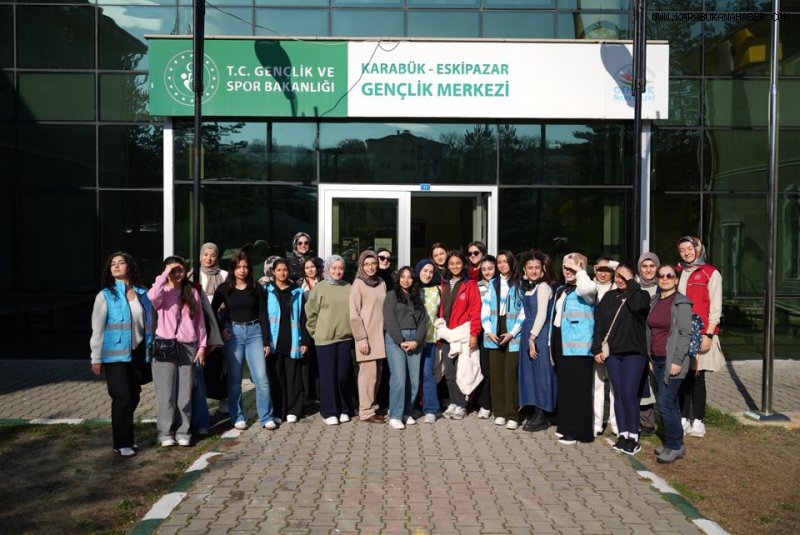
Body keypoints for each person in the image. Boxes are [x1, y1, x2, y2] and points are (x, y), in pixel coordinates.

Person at [89, 252, 155, 457]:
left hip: (138, 352)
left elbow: (150, 322)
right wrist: (96, 357)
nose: (116, 266)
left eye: (121, 262)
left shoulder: (143, 293)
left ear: (130, 266)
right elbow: (97, 329)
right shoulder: (105, 295)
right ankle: (121, 442)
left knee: (134, 395)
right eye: (112, 264)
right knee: (122, 396)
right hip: (114, 355)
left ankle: (126, 435)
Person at [212, 251, 275, 430]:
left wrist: (266, 341)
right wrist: (221, 329)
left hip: (255, 333)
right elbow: (211, 311)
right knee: (235, 379)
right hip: (234, 334)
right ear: (233, 269)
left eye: (245, 267)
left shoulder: (257, 288)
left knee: (261, 378)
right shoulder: (224, 288)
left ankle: (266, 417)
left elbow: (263, 314)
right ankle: (238, 416)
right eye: (239, 267)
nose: (242, 270)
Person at [592, 262, 651, 455]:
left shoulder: (641, 295)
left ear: (633, 278)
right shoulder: (609, 297)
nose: (619, 280)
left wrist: (632, 285)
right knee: (618, 394)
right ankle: (623, 435)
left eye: (624, 277)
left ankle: (633, 437)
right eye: (617, 276)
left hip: (634, 353)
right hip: (613, 354)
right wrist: (597, 349)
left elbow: (638, 307)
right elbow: (599, 324)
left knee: (629, 394)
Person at [148, 256, 207, 447]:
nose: (177, 273)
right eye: (173, 270)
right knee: (166, 393)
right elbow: (151, 297)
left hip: (188, 346)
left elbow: (200, 323)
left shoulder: (192, 292)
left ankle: (183, 431)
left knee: (185, 393)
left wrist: (202, 346)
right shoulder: (162, 291)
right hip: (165, 346)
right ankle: (166, 432)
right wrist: (165, 274)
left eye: (180, 269)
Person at [677, 236, 725, 438]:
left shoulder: (711, 273)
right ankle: (683, 418)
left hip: (702, 332)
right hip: (681, 332)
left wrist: (709, 334)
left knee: (697, 376)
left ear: (698, 249)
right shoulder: (679, 272)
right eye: (682, 250)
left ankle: (698, 419)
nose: (686, 252)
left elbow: (716, 307)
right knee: (682, 376)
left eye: (690, 248)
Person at [648, 264, 693, 463]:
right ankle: (677, 443)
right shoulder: (655, 300)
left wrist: (677, 360)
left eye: (669, 275)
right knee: (670, 402)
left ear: (676, 279)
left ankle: (673, 446)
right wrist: (649, 357)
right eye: (661, 276)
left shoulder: (681, 303)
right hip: (656, 359)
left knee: (665, 402)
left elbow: (685, 334)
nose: (665, 278)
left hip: (672, 361)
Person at [553, 252, 597, 445]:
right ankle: (565, 426)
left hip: (579, 347)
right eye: (565, 267)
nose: (568, 271)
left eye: (572, 267)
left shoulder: (586, 288)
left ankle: (580, 432)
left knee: (579, 390)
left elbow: (587, 287)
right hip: (562, 344)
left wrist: (580, 271)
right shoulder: (562, 290)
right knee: (566, 388)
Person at [305, 255, 354, 425]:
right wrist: (316, 332)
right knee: (328, 376)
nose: (337, 271)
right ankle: (329, 411)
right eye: (334, 268)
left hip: (345, 338)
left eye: (341, 268)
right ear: (327, 269)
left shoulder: (349, 287)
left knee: (342, 375)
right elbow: (310, 313)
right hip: (325, 340)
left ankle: (344, 408)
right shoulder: (320, 289)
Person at [482, 250, 526, 430]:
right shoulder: (493, 283)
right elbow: (485, 308)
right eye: (499, 262)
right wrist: (488, 330)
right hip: (494, 330)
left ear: (511, 263)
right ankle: (499, 412)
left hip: (513, 331)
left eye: (505, 261)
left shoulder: (519, 283)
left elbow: (523, 311)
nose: (502, 265)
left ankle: (512, 414)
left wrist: (513, 332)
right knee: (497, 374)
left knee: (510, 374)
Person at [264, 258, 310, 423]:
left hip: (292, 341)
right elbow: (263, 316)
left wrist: (305, 341)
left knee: (293, 378)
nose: (282, 273)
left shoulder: (297, 292)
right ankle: (278, 411)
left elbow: (304, 318)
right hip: (274, 341)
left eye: (285, 270)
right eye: (279, 270)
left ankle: (293, 410)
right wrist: (265, 341)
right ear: (273, 272)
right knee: (277, 378)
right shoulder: (267, 290)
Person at [439, 250, 482, 420]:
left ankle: (462, 405)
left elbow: (476, 311)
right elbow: (442, 310)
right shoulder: (444, 284)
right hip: (448, 334)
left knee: (462, 371)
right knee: (449, 372)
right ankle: (454, 402)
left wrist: (474, 334)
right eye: (451, 263)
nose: (455, 266)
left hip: (463, 335)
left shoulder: (470, 284)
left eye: (458, 263)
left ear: (463, 264)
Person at [383, 266, 428, 429]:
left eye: (409, 277)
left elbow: (423, 321)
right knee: (399, 378)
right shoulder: (391, 295)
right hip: (396, 340)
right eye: (402, 276)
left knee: (414, 381)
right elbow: (389, 319)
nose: (406, 280)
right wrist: (400, 340)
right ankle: (395, 415)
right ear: (398, 278)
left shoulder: (417, 297)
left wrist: (416, 341)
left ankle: (407, 412)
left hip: (414, 339)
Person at [518, 250, 557, 433]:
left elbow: (541, 315)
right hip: (529, 331)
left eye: (537, 267)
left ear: (543, 270)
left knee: (542, 373)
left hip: (539, 334)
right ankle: (535, 410)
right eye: (530, 267)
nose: (533, 271)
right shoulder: (529, 287)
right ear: (525, 270)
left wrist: (532, 338)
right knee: (531, 374)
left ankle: (543, 413)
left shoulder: (543, 287)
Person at [190, 242, 229, 421]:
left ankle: (224, 401)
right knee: (202, 365)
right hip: (199, 325)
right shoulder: (193, 275)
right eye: (205, 255)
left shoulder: (225, 275)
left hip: (220, 324)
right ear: (200, 257)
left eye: (212, 255)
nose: (209, 258)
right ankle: (201, 406)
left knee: (221, 364)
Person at [349, 250, 387, 423]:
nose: (370, 267)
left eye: (373, 263)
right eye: (367, 264)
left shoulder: (381, 282)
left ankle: (372, 406)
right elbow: (354, 314)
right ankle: (365, 411)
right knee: (367, 376)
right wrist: (361, 339)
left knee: (376, 375)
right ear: (361, 266)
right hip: (366, 337)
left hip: (380, 335)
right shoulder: (358, 284)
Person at [592, 255, 619, 437]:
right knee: (597, 385)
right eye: (600, 270)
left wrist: (613, 266)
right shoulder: (589, 287)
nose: (603, 274)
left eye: (607, 270)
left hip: (613, 343)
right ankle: (596, 422)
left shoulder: (618, 288)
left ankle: (615, 422)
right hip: (595, 342)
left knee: (615, 385)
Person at [636, 252, 662, 436]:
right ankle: (647, 422)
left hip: (659, 342)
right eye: (644, 266)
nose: (648, 270)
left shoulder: (663, 287)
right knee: (643, 381)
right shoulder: (634, 289)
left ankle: (668, 418)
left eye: (652, 266)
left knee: (660, 382)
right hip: (639, 341)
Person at [416, 259, 441, 423]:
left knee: (427, 373)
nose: (428, 274)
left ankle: (431, 409)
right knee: (412, 374)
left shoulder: (438, 289)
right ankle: (412, 406)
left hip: (430, 338)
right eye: (425, 271)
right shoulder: (412, 288)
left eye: (431, 271)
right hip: (413, 339)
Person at [474, 255, 497, 419]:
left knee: (498, 369)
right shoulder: (477, 286)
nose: (487, 272)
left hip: (500, 332)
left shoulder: (502, 284)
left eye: (490, 268)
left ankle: (497, 403)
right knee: (485, 369)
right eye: (484, 269)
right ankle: (485, 404)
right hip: (483, 333)